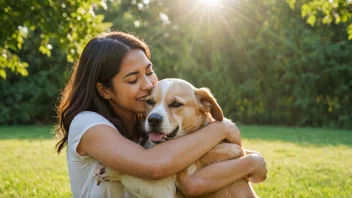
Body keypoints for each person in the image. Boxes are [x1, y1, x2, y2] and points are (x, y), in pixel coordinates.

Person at [55, 31, 267, 198]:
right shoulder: (88, 124)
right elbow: (155, 167)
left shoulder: (147, 129)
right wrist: (223, 128)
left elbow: (190, 183)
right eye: (132, 80)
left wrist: (251, 160)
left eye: (149, 72)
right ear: (105, 90)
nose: (147, 85)